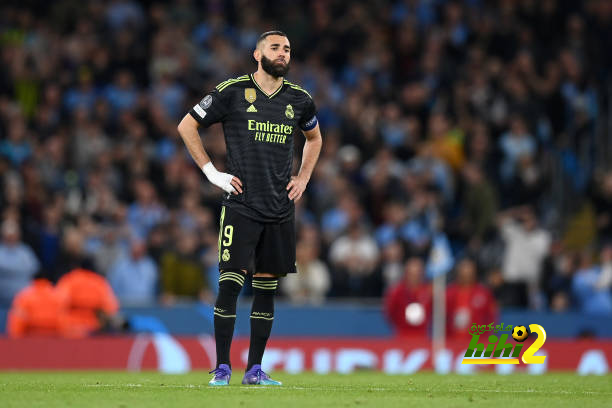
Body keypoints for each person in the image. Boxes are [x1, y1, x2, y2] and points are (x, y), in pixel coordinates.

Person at [177, 31, 322, 386]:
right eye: (275, 47)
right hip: (241, 203)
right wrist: (212, 173)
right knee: (230, 284)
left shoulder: (300, 99)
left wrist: (303, 177)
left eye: (287, 48)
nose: (283, 53)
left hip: (279, 207)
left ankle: (254, 370)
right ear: (257, 53)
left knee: (267, 287)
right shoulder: (233, 91)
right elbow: (187, 125)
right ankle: (222, 367)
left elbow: (315, 138)